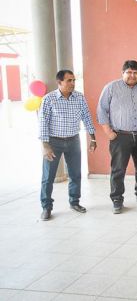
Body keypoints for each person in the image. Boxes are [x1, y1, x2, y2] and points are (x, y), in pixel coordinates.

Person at [97, 60, 137, 214]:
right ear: (122, 73)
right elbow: (101, 110)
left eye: (135, 72)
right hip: (120, 135)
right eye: (129, 72)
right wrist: (108, 132)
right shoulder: (111, 88)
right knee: (118, 169)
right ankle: (117, 199)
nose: (132, 75)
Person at [38, 70, 97, 221]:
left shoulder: (79, 97)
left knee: (75, 174)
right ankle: (46, 207)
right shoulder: (49, 99)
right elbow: (43, 123)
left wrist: (93, 138)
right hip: (53, 142)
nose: (72, 83)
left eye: (74, 80)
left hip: (73, 141)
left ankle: (74, 202)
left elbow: (86, 117)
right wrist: (45, 145)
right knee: (48, 177)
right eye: (69, 81)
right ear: (59, 83)